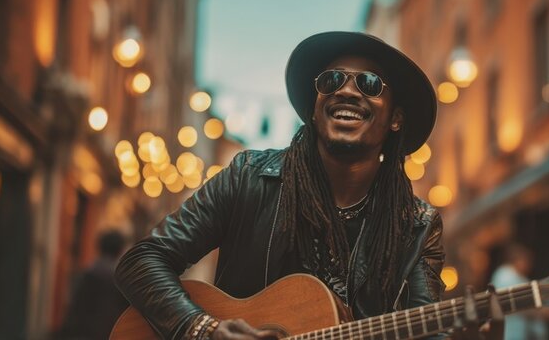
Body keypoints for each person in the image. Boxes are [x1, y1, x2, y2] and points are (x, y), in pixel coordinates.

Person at [114, 32, 445, 339]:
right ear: (314, 111)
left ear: (396, 118)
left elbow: (431, 329)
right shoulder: (249, 177)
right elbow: (142, 260)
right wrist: (203, 328)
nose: (346, 90)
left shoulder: (417, 227)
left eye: (370, 84)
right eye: (332, 81)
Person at [59, 229, 130, 339]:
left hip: (85, 332)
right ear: (120, 250)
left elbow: (76, 307)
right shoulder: (121, 277)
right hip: (110, 332)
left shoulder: (88, 272)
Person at [490, 243, 548, 340]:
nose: (530, 265)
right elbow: (517, 303)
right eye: (527, 261)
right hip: (509, 332)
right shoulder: (505, 276)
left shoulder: (520, 277)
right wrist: (541, 312)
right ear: (519, 260)